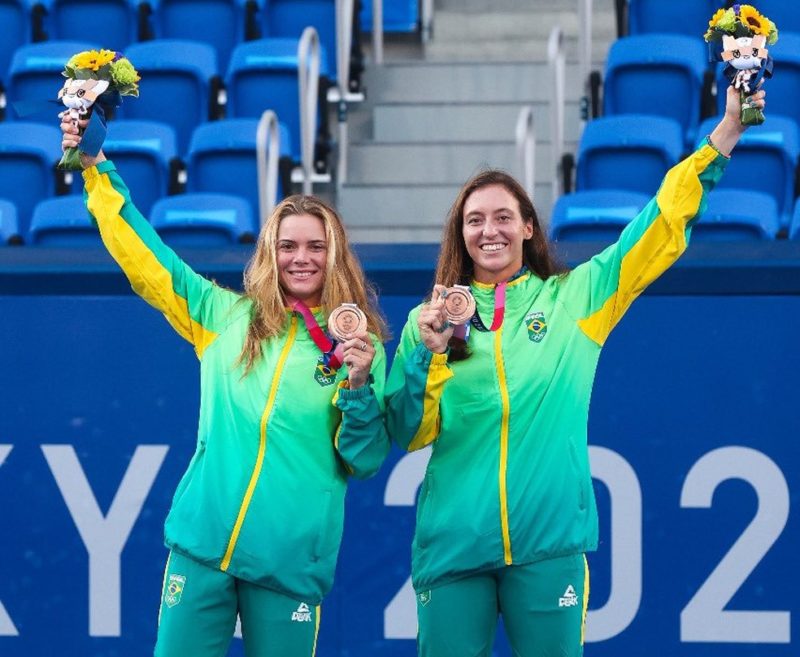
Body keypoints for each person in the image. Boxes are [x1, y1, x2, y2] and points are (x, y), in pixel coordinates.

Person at [384, 86, 766, 657]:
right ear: (460, 234)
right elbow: (409, 432)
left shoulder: (577, 298)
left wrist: (726, 133)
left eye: (504, 217)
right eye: (475, 220)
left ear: (529, 228)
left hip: (549, 547)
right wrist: (426, 353)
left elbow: (656, 227)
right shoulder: (429, 319)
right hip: (453, 549)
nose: (490, 231)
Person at [61, 118, 390, 657]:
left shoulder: (359, 345)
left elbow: (366, 457)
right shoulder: (223, 316)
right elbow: (146, 258)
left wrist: (357, 385)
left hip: (287, 562)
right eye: (287, 246)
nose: (300, 258)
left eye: (315, 246)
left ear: (335, 255)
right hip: (202, 545)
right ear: (269, 252)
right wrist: (98, 170)